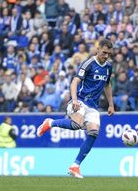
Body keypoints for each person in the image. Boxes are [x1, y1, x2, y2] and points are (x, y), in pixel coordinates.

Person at [36, 39, 115, 178]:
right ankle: (50, 123)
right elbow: (75, 81)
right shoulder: (88, 63)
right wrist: (74, 100)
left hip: (93, 106)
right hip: (81, 100)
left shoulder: (108, 67)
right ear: (98, 49)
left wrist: (111, 104)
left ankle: (75, 166)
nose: (106, 56)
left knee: (94, 133)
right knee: (76, 124)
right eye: (104, 52)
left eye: (109, 53)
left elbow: (107, 85)